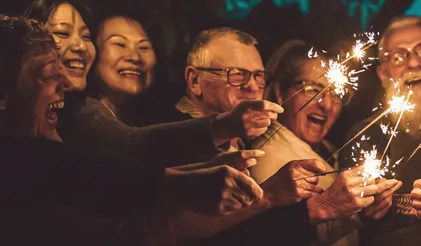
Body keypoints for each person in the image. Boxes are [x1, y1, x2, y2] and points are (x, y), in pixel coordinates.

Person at [0, 14, 264, 245]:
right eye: (48, 73)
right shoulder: (25, 155)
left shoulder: (138, 117)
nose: (65, 82)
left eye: (144, 47)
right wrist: (268, 194)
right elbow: (106, 178)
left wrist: (202, 171)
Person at [164, 29, 397, 245]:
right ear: (194, 81)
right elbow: (181, 230)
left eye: (258, 76)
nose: (252, 87)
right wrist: (305, 204)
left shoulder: (240, 141)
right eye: (237, 75)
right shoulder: (173, 140)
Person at [24, 0, 279, 166]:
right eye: (118, 45)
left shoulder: (150, 118)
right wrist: (223, 127)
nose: (134, 57)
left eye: (144, 48)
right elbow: (131, 148)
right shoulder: (74, 111)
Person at [250, 39, 402, 245]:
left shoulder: (331, 152)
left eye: (337, 92)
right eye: (312, 88)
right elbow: (272, 234)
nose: (327, 104)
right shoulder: (263, 157)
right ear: (279, 91)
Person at [339, 16, 421, 246]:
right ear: (382, 74)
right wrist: (374, 204)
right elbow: (352, 211)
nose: (413, 64)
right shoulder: (364, 135)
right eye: (398, 57)